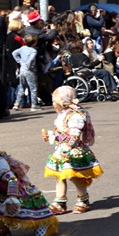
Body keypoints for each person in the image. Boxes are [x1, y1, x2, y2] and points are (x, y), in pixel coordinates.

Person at [44, 85, 102, 215]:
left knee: (75, 176)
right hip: (62, 149)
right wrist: (51, 136)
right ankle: (60, 201)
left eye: (55, 101)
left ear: (63, 102)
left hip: (73, 150)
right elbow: (61, 131)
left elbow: (74, 135)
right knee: (59, 175)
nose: (53, 104)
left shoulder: (76, 115)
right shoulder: (63, 114)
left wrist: (67, 147)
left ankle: (83, 199)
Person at [0, 147, 58, 236]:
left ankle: (43, 222)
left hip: (15, 193)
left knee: (38, 229)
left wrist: (12, 199)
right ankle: (1, 232)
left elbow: (12, 181)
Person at [12, 34, 42, 111]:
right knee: (33, 88)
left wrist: (20, 61)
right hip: (29, 71)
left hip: (22, 70)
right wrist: (28, 65)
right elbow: (30, 59)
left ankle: (16, 103)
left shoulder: (22, 48)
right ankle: (34, 105)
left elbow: (14, 53)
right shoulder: (34, 51)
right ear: (34, 42)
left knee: (22, 87)